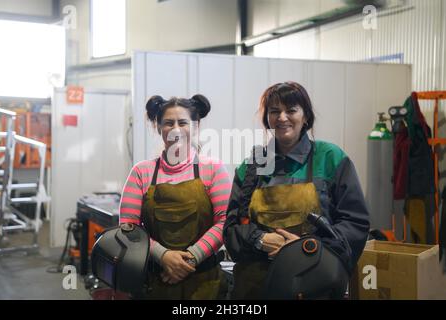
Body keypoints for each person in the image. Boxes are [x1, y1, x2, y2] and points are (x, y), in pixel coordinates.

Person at [223, 81, 370, 299]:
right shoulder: (252, 166)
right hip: (256, 289)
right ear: (268, 120)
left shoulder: (331, 158)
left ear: (306, 117)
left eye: (291, 110)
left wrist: (306, 248)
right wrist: (260, 239)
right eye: (275, 111)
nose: (282, 117)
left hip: (315, 283)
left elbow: (355, 223)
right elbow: (232, 229)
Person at [119, 94, 231, 299]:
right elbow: (128, 227)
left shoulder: (213, 168)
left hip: (205, 280)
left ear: (195, 127)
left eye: (183, 123)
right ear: (158, 128)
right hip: (155, 279)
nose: (176, 129)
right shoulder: (141, 172)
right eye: (169, 123)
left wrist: (191, 258)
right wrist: (163, 256)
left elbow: (225, 221)